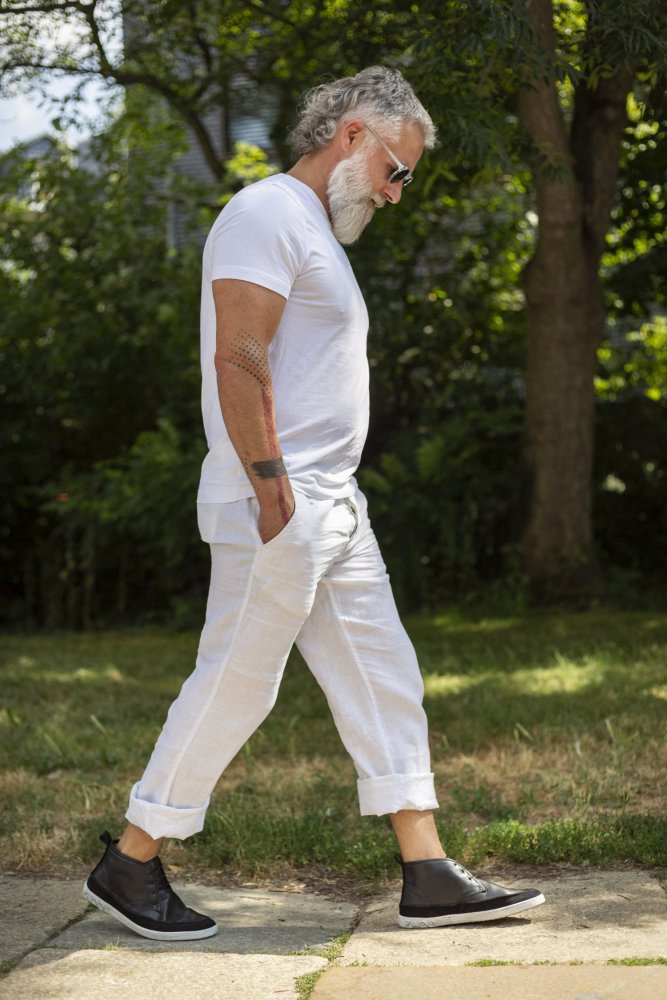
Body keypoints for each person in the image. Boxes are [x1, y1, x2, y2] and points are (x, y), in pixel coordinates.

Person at [83, 66, 545, 940]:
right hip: (280, 503)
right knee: (237, 684)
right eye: (395, 171)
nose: (396, 193)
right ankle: (131, 862)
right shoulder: (264, 215)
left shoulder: (317, 234)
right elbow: (239, 355)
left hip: (333, 504)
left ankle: (427, 870)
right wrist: (270, 487)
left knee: (383, 675)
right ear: (355, 135)